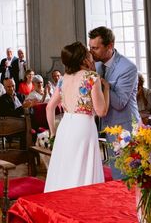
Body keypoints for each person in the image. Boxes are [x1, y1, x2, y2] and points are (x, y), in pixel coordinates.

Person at [45, 41, 109, 192]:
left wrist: (53, 132)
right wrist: (106, 89)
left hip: (65, 126)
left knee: (65, 169)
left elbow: (49, 107)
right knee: (83, 170)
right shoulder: (91, 77)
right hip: (83, 127)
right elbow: (101, 112)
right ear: (83, 57)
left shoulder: (62, 79)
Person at [89, 26, 139, 179]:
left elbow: (119, 103)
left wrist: (101, 84)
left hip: (125, 128)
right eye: (90, 47)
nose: (91, 52)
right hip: (108, 127)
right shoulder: (96, 65)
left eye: (95, 48)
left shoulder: (128, 68)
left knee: (127, 176)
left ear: (109, 46)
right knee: (116, 174)